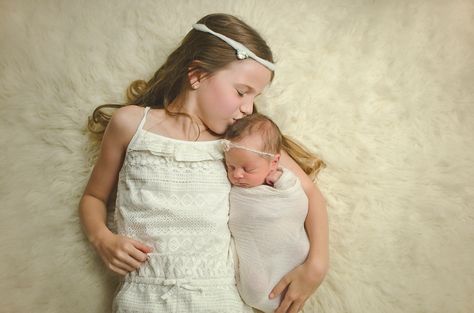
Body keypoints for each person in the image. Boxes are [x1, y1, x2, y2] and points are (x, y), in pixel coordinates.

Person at [78, 13, 329, 313]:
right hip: (143, 298)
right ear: (197, 75)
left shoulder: (240, 145)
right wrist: (102, 238)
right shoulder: (132, 124)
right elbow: (93, 197)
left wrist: (317, 265)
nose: (248, 108)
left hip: (219, 299)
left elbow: (310, 194)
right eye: (241, 91)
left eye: (254, 96)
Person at [222, 113, 317, 313]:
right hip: (254, 247)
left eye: (248, 169)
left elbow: (298, 201)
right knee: (254, 284)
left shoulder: (282, 180)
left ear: (273, 163)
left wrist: (283, 183)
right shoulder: (237, 187)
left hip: (287, 248)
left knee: (297, 250)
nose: (237, 175)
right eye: (231, 166)